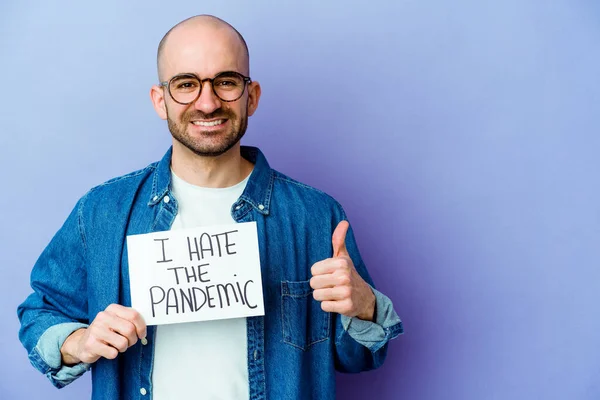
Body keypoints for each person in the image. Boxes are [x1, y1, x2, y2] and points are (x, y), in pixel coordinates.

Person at [17, 14, 403, 400]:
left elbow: (359, 358)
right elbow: (40, 312)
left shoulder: (316, 217)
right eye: (186, 84)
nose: (208, 102)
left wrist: (364, 306)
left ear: (251, 96)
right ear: (160, 99)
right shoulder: (103, 212)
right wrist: (80, 342)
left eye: (226, 82)